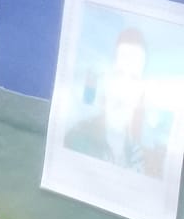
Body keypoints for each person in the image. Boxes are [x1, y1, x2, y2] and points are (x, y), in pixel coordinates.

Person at [64, 27, 152, 172]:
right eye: (119, 74)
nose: (124, 88)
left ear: (140, 93)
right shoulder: (77, 138)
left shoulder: (137, 154)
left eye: (134, 78)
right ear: (107, 81)